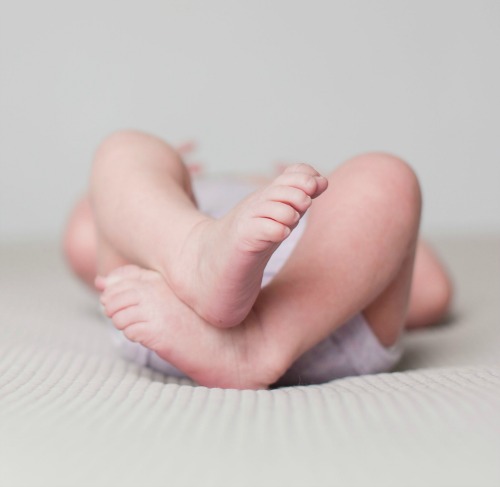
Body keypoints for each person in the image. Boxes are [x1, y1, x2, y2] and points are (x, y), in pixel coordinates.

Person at [63, 130, 453, 389]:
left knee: (384, 174)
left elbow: (430, 289)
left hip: (313, 321)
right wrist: (153, 178)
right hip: (170, 310)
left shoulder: (316, 201)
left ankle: (260, 338)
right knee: (127, 147)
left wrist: (334, 190)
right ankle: (195, 254)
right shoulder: (178, 198)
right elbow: (85, 234)